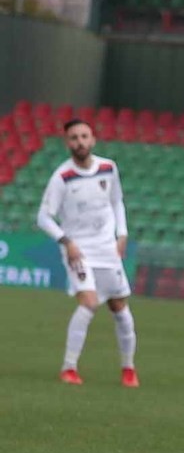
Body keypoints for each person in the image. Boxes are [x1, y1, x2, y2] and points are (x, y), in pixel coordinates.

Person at [36, 119, 138, 387]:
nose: (80, 142)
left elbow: (117, 202)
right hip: (79, 250)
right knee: (89, 302)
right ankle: (69, 368)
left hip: (107, 248)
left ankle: (128, 368)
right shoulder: (62, 177)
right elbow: (44, 217)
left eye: (84, 136)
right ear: (67, 143)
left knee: (119, 306)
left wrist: (122, 234)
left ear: (92, 139)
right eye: (74, 138)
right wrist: (66, 242)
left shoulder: (108, 168)